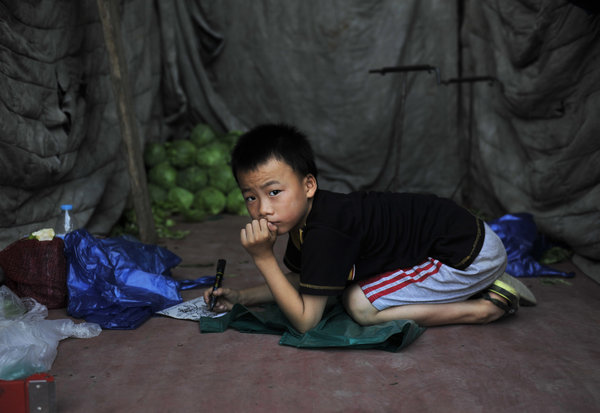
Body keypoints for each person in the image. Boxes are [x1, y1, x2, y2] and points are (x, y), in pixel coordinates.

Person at [203, 123, 535, 333]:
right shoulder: (308, 218)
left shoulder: (325, 232)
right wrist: (241, 297)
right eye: (251, 197)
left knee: (360, 305)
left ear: (308, 185)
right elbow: (305, 278)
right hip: (459, 240)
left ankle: (485, 307)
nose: (263, 208)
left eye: (274, 192)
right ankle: (476, 283)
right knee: (350, 293)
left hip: (464, 254)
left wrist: (263, 258)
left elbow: (306, 322)